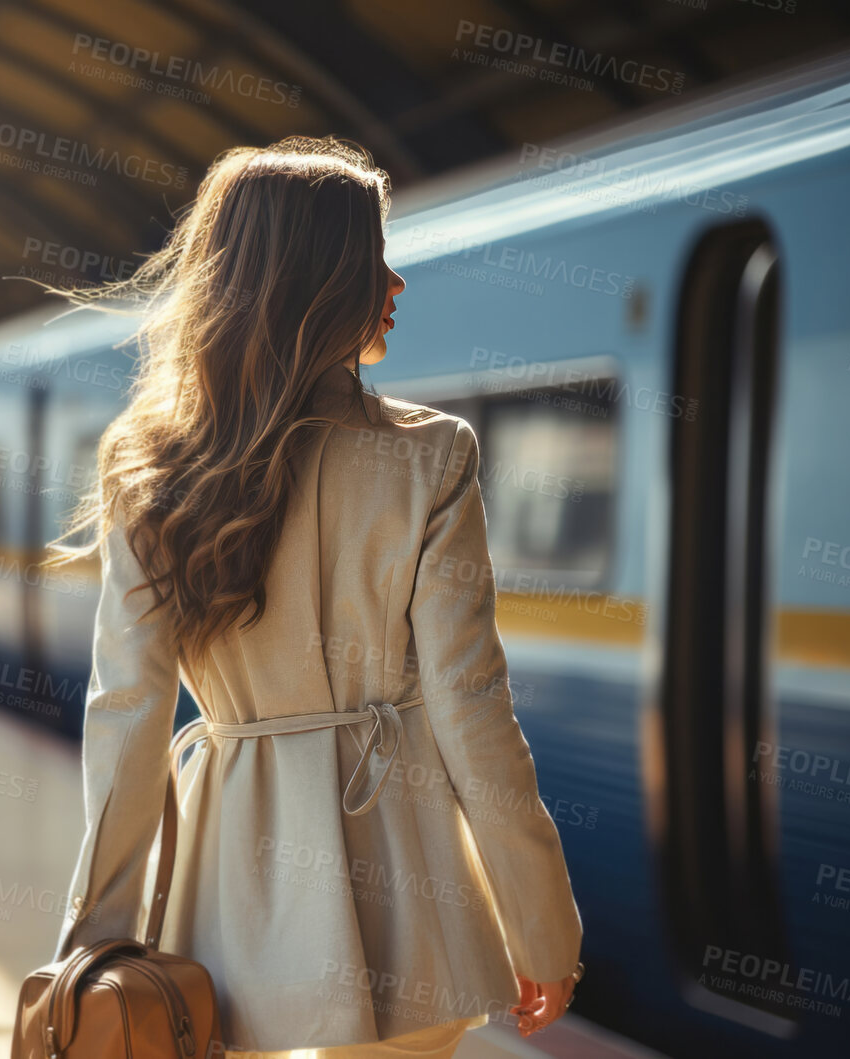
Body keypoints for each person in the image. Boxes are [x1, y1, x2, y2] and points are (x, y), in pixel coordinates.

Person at [48, 137, 583, 1057]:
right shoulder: (431, 456)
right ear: (327, 278)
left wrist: (91, 942)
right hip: (408, 889)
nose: (396, 282)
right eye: (375, 256)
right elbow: (472, 711)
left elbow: (127, 716)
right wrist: (542, 927)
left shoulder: (148, 465)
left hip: (227, 897)